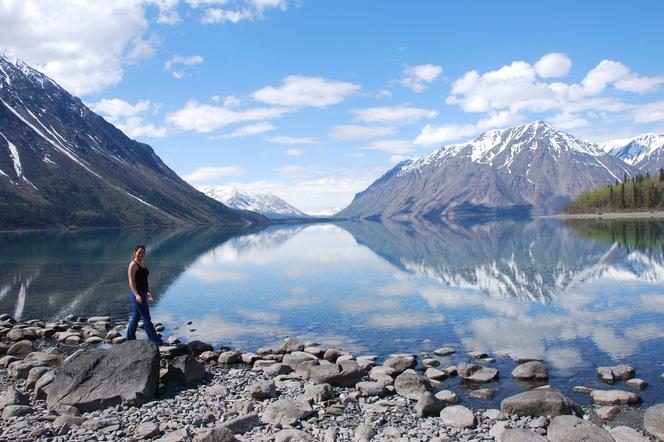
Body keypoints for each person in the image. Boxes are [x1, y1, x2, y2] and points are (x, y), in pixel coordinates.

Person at [126, 244, 163, 345]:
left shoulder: (142, 263)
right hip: (137, 294)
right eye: (139, 252)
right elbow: (131, 281)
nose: (141, 254)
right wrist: (136, 294)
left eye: (142, 252)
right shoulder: (133, 264)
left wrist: (147, 292)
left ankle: (129, 339)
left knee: (135, 317)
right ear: (135, 252)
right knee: (146, 318)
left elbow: (143, 280)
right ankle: (156, 341)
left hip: (143, 293)